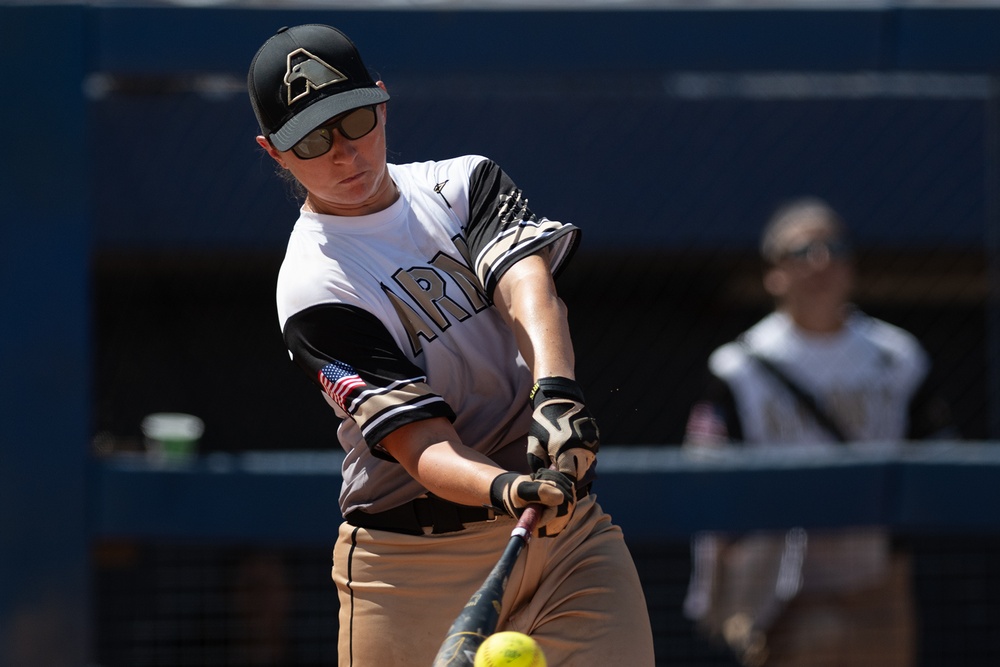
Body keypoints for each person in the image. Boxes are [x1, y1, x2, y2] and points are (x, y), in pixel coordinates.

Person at [246, 23, 655, 667]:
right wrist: (508, 490)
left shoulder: (462, 184)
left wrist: (556, 393)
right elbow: (422, 445)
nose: (344, 154)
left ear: (382, 100)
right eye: (312, 140)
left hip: (565, 541)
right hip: (413, 564)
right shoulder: (313, 289)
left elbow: (528, 285)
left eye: (353, 121)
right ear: (275, 153)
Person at [681, 197, 956, 667]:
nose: (822, 261)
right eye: (802, 251)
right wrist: (720, 591)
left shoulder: (898, 356)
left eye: (835, 248)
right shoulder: (738, 367)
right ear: (774, 274)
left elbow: (939, 462)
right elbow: (707, 480)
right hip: (783, 588)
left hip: (877, 580)